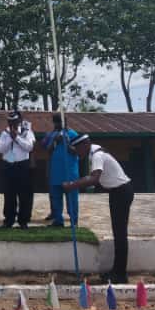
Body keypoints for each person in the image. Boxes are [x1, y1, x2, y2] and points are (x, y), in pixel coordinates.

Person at [63, 134, 133, 284]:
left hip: (121, 192)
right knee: (118, 233)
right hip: (118, 192)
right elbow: (76, 152)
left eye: (78, 150)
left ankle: (120, 274)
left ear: (85, 145)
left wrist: (72, 185)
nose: (78, 154)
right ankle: (117, 271)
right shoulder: (93, 150)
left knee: (120, 234)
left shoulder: (97, 156)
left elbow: (94, 179)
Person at [0, 110, 35, 229]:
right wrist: (11, 138)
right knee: (9, 194)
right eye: (10, 121)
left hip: (22, 165)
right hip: (9, 164)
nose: (11, 123)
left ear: (19, 121)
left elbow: (29, 147)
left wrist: (17, 138)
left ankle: (23, 220)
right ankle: (9, 220)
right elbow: (1, 149)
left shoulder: (26, 131)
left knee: (24, 194)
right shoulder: (5, 133)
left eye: (14, 121)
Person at [42, 113, 78, 228]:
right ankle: (58, 220)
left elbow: (77, 151)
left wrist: (67, 142)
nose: (59, 125)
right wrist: (55, 141)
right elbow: (48, 150)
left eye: (61, 122)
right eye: (56, 122)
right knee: (56, 197)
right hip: (55, 171)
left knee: (71, 198)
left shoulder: (73, 134)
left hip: (69, 171)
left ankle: (74, 220)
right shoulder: (52, 134)